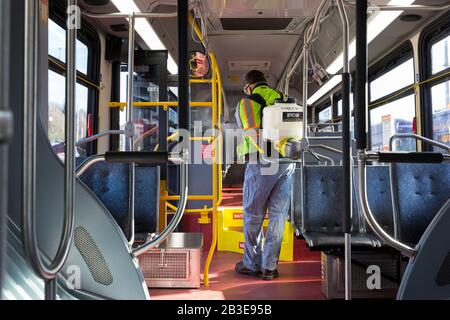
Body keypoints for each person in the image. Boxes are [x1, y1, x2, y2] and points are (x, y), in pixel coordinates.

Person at [234, 70, 295, 280]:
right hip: (288, 163)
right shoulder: (284, 99)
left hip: (262, 162)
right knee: (278, 215)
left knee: (253, 213)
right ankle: (269, 267)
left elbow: (252, 132)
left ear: (249, 86)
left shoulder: (248, 102)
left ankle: (252, 263)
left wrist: (268, 155)